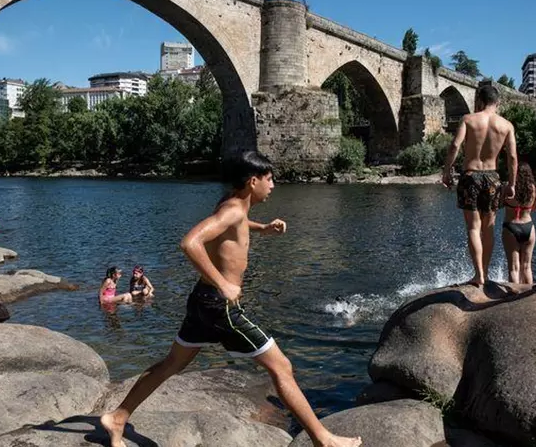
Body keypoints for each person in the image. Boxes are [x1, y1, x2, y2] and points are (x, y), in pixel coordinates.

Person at [100, 151, 362, 447]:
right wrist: (223, 283)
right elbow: (190, 242)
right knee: (282, 367)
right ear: (253, 181)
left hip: (201, 301)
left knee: (171, 364)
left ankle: (118, 417)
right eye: (269, 179)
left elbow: (234, 222)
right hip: (220, 307)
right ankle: (323, 439)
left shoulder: (232, 204)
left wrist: (262, 228)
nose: (273, 185)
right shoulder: (233, 210)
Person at [442, 85, 517, 288]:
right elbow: (512, 157)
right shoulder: (506, 125)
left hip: (470, 176)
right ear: (497, 102)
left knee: (473, 228)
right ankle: (485, 272)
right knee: (488, 229)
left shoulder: (468, 119)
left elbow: (455, 145)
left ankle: (479, 275)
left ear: (479, 101)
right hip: (493, 177)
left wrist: (447, 171)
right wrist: (511, 184)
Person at [501, 161, 536, 285]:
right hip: (528, 227)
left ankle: (514, 293)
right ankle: (528, 293)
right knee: (527, 267)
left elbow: (499, 204)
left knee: (513, 268)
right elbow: (535, 208)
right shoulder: (533, 188)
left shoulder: (508, 188)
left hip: (511, 227)